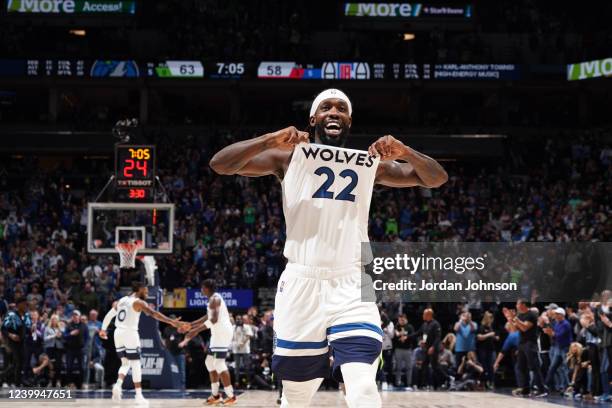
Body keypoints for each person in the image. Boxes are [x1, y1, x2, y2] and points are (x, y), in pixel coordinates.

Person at [209, 88, 447, 408]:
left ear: (349, 120)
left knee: (362, 384)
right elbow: (220, 164)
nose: (333, 112)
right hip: (301, 281)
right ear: (313, 119)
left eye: (341, 108)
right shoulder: (288, 156)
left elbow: (435, 178)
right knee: (297, 395)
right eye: (326, 107)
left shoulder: (368, 163)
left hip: (352, 281)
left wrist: (405, 150)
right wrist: (269, 140)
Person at [99, 281, 188, 405]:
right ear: (139, 289)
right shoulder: (139, 302)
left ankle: (118, 386)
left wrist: (103, 329)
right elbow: (154, 314)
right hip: (130, 333)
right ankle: (139, 395)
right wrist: (172, 322)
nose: (147, 293)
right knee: (136, 364)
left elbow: (109, 314)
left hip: (118, 333)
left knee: (125, 363)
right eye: (145, 291)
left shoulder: (122, 300)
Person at [180, 279, 236, 405]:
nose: (201, 290)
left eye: (202, 288)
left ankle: (231, 396)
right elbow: (207, 317)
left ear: (207, 288)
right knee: (209, 362)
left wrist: (195, 331)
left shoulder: (215, 299)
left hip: (222, 333)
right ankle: (216, 395)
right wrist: (191, 325)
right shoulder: (212, 300)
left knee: (219, 364)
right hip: (217, 334)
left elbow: (214, 320)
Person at [503, 299, 547, 397]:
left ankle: (542, 390)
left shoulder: (531, 315)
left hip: (530, 343)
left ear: (523, 304)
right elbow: (514, 329)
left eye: (517, 303)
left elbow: (524, 328)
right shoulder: (519, 315)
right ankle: (525, 389)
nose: (516, 305)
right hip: (522, 343)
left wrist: (515, 318)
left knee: (534, 367)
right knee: (521, 367)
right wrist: (509, 319)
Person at [1, 297, 31, 386]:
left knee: (18, 363)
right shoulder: (11, 314)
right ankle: (17, 383)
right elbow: (3, 329)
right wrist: (11, 335)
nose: (26, 305)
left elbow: (28, 328)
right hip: (13, 341)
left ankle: (4, 377)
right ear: (19, 305)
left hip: (23, 341)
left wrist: (31, 329)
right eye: (24, 303)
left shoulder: (26, 315)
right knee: (18, 361)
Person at [63, 309, 87, 388]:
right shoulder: (69, 325)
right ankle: (69, 383)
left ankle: (81, 383)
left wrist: (84, 346)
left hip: (80, 349)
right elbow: (64, 336)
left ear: (79, 317)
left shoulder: (84, 325)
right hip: (70, 349)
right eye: (73, 315)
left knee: (82, 367)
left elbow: (87, 337)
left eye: (76, 315)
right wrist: (71, 334)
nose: (75, 317)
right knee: (69, 366)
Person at [232, 314, 254, 389]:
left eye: (239, 319)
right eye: (237, 319)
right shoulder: (233, 327)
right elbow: (231, 337)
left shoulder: (247, 327)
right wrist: (234, 344)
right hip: (236, 349)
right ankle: (237, 382)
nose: (238, 320)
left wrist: (242, 343)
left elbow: (249, 335)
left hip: (245, 349)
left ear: (242, 320)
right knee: (236, 367)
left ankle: (248, 382)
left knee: (247, 366)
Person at [393, 314, 414, 388]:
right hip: (398, 349)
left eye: (402, 319)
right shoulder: (396, 327)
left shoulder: (409, 327)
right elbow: (393, 337)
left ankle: (409, 384)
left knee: (409, 367)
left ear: (405, 319)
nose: (401, 321)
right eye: (399, 320)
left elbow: (413, 336)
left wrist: (406, 337)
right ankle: (397, 383)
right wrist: (398, 336)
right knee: (398, 367)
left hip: (407, 349)